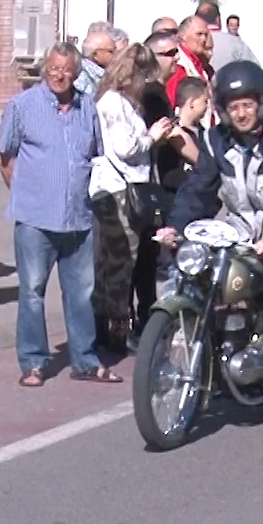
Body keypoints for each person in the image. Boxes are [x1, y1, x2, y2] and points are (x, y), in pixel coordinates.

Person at [157, 59, 263, 395]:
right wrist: (174, 228)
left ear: (261, 104)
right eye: (233, 107)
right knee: (192, 271)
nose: (241, 114)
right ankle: (187, 344)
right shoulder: (214, 142)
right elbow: (198, 190)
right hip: (236, 234)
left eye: (247, 105)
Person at [0, 42, 112, 386]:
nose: (60, 75)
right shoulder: (22, 106)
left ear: (76, 72)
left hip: (77, 218)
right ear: (45, 69)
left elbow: (96, 154)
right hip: (35, 219)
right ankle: (33, 361)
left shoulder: (86, 107)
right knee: (32, 291)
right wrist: (28, 194)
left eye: (66, 70)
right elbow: (6, 158)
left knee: (81, 294)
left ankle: (85, 361)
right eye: (54, 68)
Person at [89, 45, 178, 351]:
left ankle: (116, 329)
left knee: (125, 261)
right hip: (117, 190)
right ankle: (113, 331)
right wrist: (152, 136)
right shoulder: (114, 102)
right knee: (119, 263)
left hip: (124, 187)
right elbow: (125, 148)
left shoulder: (123, 101)